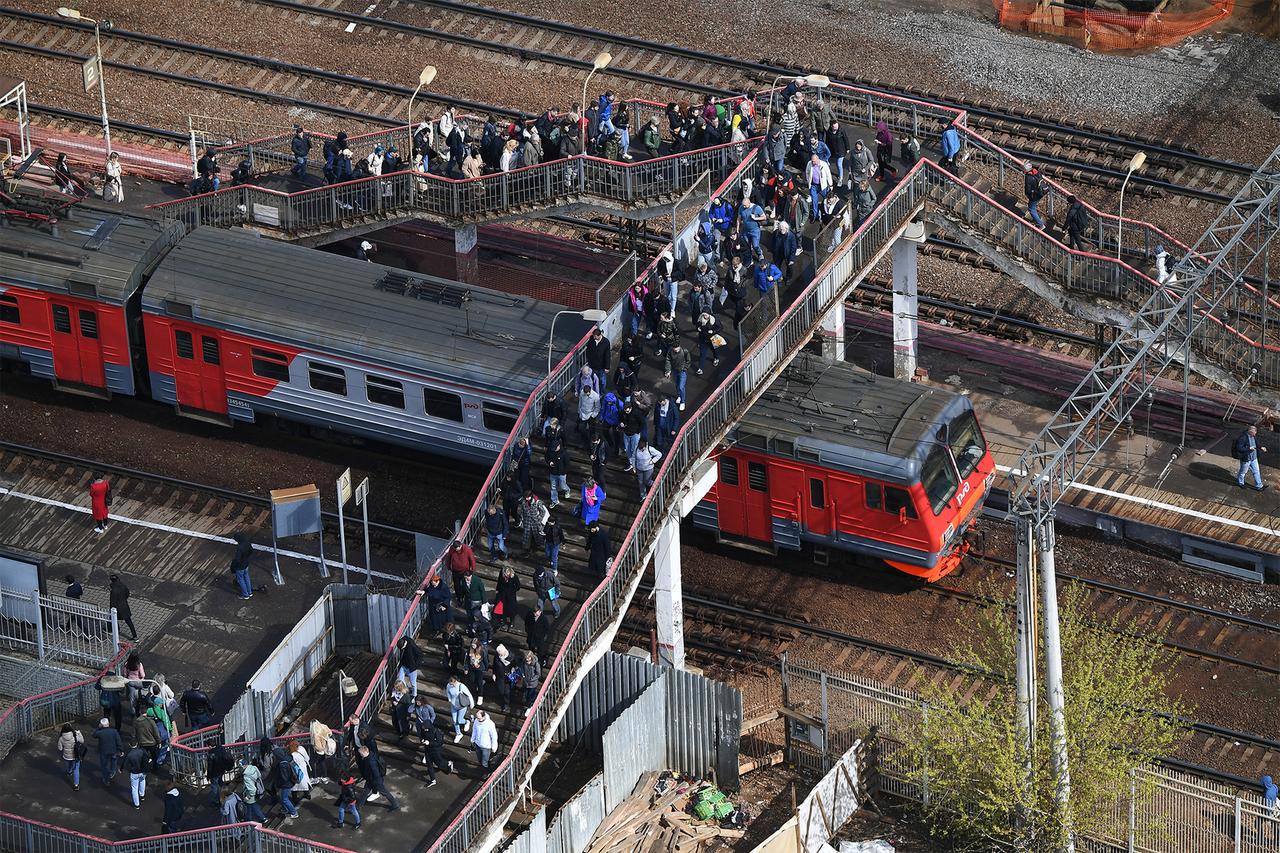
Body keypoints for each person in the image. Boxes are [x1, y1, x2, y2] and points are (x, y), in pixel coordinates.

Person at [357, 745, 398, 810]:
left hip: (375, 781)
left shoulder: (370, 762)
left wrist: (372, 780)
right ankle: (358, 807)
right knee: (365, 793)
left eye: (361, 753)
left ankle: (395, 804)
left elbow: (376, 773)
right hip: (371, 780)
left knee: (385, 793)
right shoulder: (372, 755)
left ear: (364, 752)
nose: (360, 755)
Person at [420, 718, 454, 786]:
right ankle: (433, 780)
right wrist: (423, 740)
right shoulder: (423, 730)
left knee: (439, 764)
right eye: (423, 727)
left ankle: (448, 763)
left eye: (425, 727)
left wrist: (429, 743)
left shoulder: (436, 732)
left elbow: (439, 743)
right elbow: (422, 735)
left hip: (436, 750)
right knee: (429, 765)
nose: (424, 729)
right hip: (428, 750)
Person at [1234, 424, 1268, 491]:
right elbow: (1239, 448)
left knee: (1256, 471)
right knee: (1243, 472)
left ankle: (1259, 486)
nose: (1254, 435)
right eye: (1253, 434)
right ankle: (1240, 483)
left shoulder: (1253, 436)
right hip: (1246, 459)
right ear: (1250, 432)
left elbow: (1256, 443)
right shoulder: (1243, 438)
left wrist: (1261, 447)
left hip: (1254, 458)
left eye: (1255, 433)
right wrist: (1249, 448)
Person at [93, 717, 122, 788]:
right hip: (113, 750)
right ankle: (112, 772)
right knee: (114, 760)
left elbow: (94, 735)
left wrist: (98, 727)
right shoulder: (114, 731)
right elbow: (118, 741)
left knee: (104, 766)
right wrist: (120, 749)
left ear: (101, 725)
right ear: (108, 724)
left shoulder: (100, 733)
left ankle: (106, 780)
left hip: (104, 751)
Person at [805, 153, 833, 226]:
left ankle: (828, 213)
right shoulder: (809, 164)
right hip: (813, 185)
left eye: (814, 161)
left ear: (818, 159)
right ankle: (815, 216)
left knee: (827, 199)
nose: (813, 163)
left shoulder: (824, 164)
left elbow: (828, 174)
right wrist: (809, 181)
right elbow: (807, 172)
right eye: (812, 161)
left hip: (822, 186)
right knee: (814, 201)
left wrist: (830, 184)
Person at [664, 343, 691, 413]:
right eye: (674, 348)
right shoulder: (670, 351)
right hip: (675, 371)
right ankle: (679, 395)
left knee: (681, 387)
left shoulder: (685, 351)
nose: (676, 350)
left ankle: (682, 402)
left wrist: (685, 368)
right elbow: (668, 360)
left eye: (677, 348)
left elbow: (688, 361)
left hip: (682, 371)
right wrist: (668, 370)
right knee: (677, 384)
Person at [446, 674, 474, 743]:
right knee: (455, 721)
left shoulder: (461, 686)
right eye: (450, 684)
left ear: (455, 681)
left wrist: (471, 704)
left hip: (462, 706)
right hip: (454, 706)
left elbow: (469, 695)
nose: (451, 685)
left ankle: (467, 721)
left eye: (452, 684)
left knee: (459, 720)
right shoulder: (448, 685)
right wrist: (450, 699)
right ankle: (458, 734)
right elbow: (448, 692)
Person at [57, 723, 85, 790]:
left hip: (66, 756)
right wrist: (79, 733)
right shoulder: (75, 735)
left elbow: (60, 748)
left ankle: (69, 772)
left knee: (68, 765)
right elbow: (82, 741)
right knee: (76, 769)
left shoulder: (61, 738)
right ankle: (76, 785)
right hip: (75, 755)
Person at [447, 539, 476, 604]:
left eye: (457, 548)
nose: (456, 550)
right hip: (455, 570)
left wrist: (473, 570)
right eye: (455, 548)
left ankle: (464, 596)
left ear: (460, 546)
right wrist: (448, 566)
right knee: (456, 585)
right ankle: (459, 598)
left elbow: (472, 559)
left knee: (464, 584)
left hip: (465, 571)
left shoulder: (467, 549)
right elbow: (449, 557)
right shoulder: (452, 548)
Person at [110, 575, 138, 642]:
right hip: (124, 606)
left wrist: (112, 608)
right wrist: (124, 599)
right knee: (129, 621)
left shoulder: (113, 590)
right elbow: (127, 593)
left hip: (117, 608)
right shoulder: (122, 585)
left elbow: (112, 601)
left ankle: (115, 630)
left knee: (113, 619)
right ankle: (135, 636)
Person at [490, 643, 515, 713]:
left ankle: (506, 704)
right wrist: (494, 673)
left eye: (501, 654)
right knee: (501, 691)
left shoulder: (511, 656)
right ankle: (504, 699)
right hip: (500, 676)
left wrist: (513, 670)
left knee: (507, 692)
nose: (500, 655)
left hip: (508, 677)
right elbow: (494, 665)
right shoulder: (497, 657)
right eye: (499, 654)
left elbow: (515, 665)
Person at [125, 741, 150, 809]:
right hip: (143, 771)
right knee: (142, 781)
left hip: (134, 773)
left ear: (129, 745)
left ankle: (137, 804)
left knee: (134, 788)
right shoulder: (142, 751)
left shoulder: (130, 754)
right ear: (137, 744)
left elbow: (126, 764)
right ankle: (142, 795)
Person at [585, 327, 611, 392]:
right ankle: (595, 390)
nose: (594, 338)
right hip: (592, 364)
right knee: (593, 379)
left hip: (601, 366)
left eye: (595, 336)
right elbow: (588, 349)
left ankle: (602, 392)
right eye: (593, 336)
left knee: (602, 381)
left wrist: (607, 367)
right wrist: (589, 359)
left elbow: (607, 355)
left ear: (599, 335)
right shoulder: (592, 340)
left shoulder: (605, 342)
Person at [230, 532, 254, 601]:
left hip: (240, 566)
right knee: (246, 577)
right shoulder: (247, 542)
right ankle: (250, 592)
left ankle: (245, 594)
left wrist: (233, 566)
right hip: (246, 564)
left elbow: (237, 559)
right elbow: (251, 551)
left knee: (241, 580)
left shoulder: (239, 548)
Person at [546, 439, 569, 508]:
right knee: (553, 487)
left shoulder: (564, 453)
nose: (554, 450)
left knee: (562, 486)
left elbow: (567, 463)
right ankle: (554, 500)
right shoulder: (550, 450)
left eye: (555, 448)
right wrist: (549, 462)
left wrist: (564, 472)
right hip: (553, 472)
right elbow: (546, 457)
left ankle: (567, 490)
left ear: (558, 446)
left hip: (561, 473)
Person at [1023, 161, 1046, 229]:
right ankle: (1037, 220)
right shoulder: (1037, 172)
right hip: (1040, 193)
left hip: (1034, 195)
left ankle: (1041, 224)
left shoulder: (1028, 177)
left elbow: (1028, 189)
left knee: (1031, 209)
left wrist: (1027, 195)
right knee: (1033, 206)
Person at [1261, 774, 1279, 844]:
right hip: (1274, 808)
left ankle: (1261, 839)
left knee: (1257, 824)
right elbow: (1276, 792)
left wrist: (1268, 816)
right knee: (1274, 825)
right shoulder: (1274, 787)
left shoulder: (1267, 794)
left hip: (1268, 812)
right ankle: (1278, 839)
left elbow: (1267, 806)